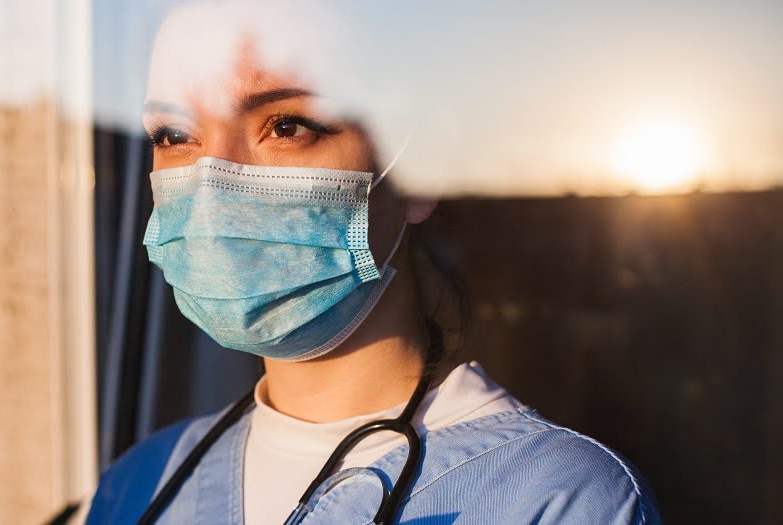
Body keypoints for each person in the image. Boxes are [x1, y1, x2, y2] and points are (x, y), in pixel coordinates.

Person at [87, 1, 662, 523]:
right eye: (175, 133)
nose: (213, 183)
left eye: (287, 126)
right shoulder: (138, 486)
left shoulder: (557, 500)